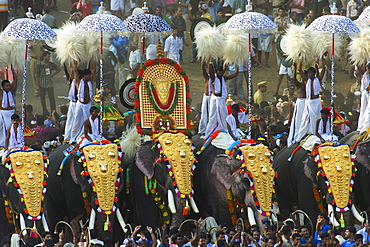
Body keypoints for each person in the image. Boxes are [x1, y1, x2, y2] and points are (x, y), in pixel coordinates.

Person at [204, 62, 238, 139]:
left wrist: (237, 64)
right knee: (212, 116)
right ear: (217, 72)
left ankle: (226, 130)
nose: (220, 73)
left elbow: (235, 74)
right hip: (214, 99)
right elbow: (210, 71)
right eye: (219, 72)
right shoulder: (213, 77)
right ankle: (208, 133)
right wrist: (210, 64)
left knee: (224, 115)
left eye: (221, 72)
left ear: (223, 72)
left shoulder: (224, 78)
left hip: (221, 100)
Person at [295, 66, 323, 142]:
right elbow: (300, 70)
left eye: (311, 73)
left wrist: (322, 62)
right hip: (308, 102)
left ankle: (315, 132)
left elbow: (323, 69)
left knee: (317, 118)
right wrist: (299, 63)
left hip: (316, 102)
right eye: (309, 73)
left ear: (314, 73)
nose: (309, 74)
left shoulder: (318, 79)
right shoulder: (307, 80)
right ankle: (303, 134)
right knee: (305, 119)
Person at [70, 69, 93, 143]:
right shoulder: (79, 82)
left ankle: (84, 136)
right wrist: (75, 65)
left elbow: (92, 69)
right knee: (76, 121)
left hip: (87, 104)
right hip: (80, 104)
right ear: (85, 75)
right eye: (89, 75)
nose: (90, 76)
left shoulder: (90, 82)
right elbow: (75, 71)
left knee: (87, 121)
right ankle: (72, 138)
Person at [287, 63, 306, 146]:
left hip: (306, 102)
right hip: (300, 102)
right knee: (298, 120)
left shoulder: (309, 83)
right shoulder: (299, 85)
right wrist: (295, 68)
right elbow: (294, 79)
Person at [63, 69, 82, 143]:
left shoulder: (81, 83)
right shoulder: (72, 81)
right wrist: (64, 65)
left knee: (76, 121)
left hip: (78, 104)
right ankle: (67, 138)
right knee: (69, 120)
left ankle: (74, 137)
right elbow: (68, 74)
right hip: (72, 103)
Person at [198, 60, 212, 137]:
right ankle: (202, 131)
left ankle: (210, 129)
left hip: (212, 98)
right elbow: (203, 69)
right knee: (204, 114)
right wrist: (203, 62)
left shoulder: (216, 78)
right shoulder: (207, 77)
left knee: (211, 115)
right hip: (206, 97)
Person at [0, 80, 16, 147]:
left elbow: (15, 82)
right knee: (4, 129)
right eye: (7, 86)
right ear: (3, 87)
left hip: (11, 113)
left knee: (12, 129)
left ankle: (11, 143)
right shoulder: (1, 93)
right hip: (3, 113)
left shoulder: (11, 92)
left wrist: (13, 71)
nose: (8, 87)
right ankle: (3, 144)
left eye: (9, 85)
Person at [357, 62, 370, 133]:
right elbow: (368, 88)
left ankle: (364, 127)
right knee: (365, 111)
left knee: (367, 111)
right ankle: (363, 127)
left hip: (367, 93)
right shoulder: (366, 74)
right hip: (365, 93)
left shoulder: (366, 74)